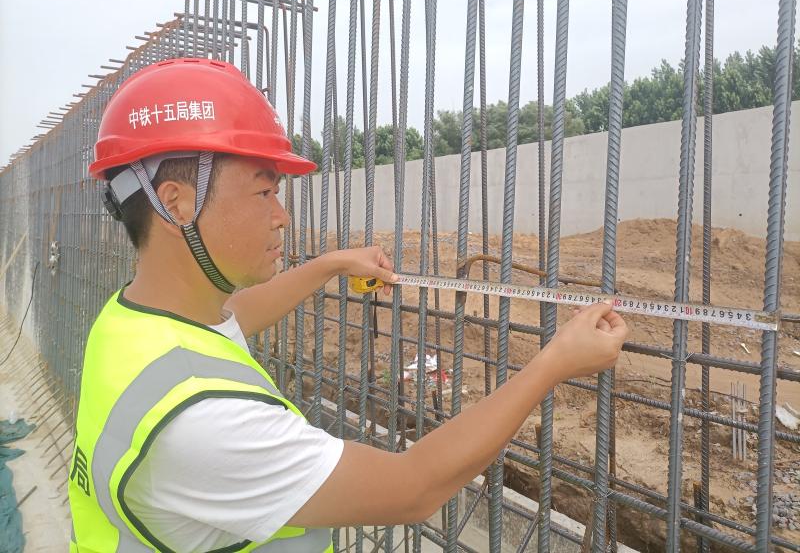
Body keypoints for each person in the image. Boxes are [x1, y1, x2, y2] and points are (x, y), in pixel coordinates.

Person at [68, 58, 628, 553]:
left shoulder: (130, 325)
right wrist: (554, 361)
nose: (282, 216)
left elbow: (235, 317)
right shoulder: (203, 425)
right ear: (176, 203)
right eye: (265, 192)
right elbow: (414, 487)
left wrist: (332, 265)